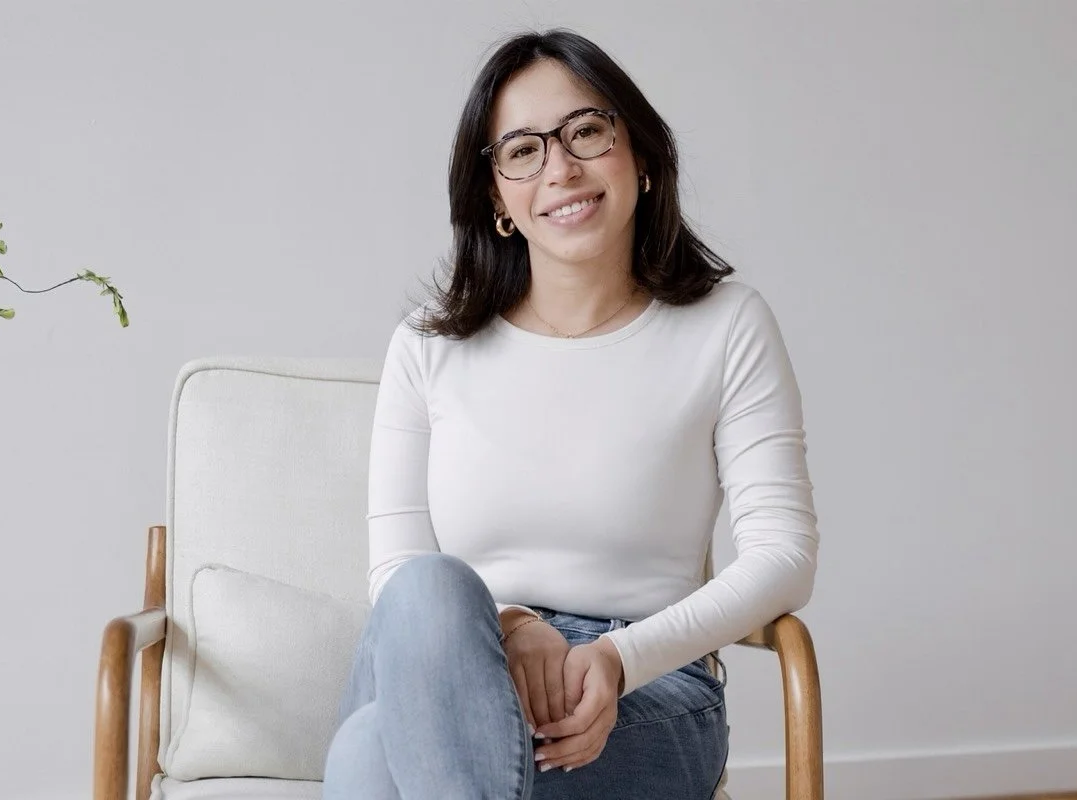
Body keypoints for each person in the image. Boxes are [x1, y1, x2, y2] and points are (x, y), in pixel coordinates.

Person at [322, 28, 819, 800]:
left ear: (642, 158)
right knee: (424, 592)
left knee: (367, 753)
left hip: (647, 684)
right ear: (496, 199)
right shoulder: (426, 346)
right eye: (522, 150)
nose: (561, 168)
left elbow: (783, 556)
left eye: (587, 131)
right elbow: (394, 576)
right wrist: (514, 630)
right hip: (459, 659)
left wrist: (622, 661)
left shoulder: (727, 326)